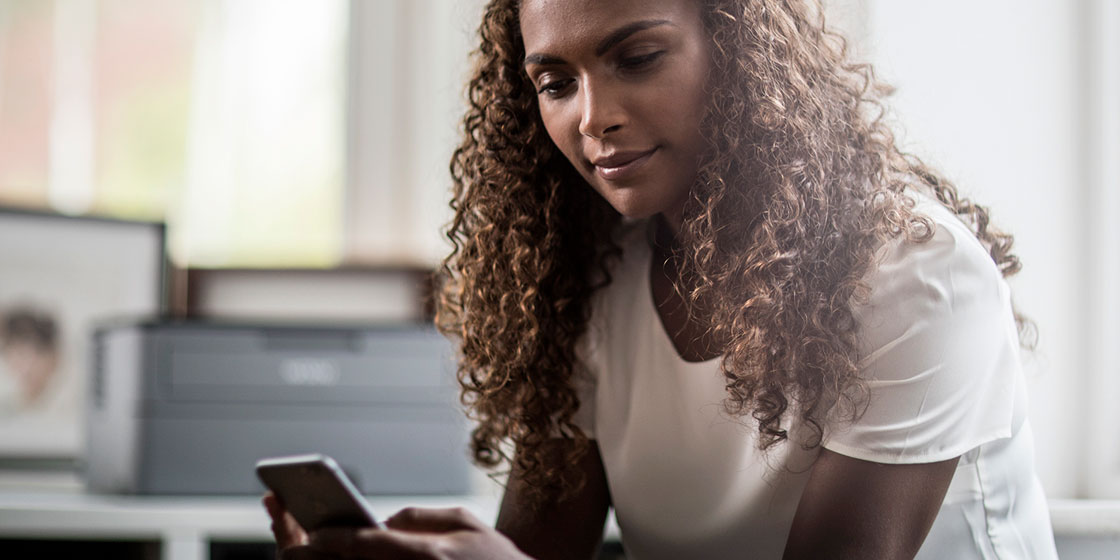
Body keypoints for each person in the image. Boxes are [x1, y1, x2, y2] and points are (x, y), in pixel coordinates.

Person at [265, 0, 1059, 558]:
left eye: (636, 58)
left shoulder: (914, 270)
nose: (591, 116)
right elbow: (542, 545)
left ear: (741, 51)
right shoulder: (590, 272)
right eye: (555, 82)